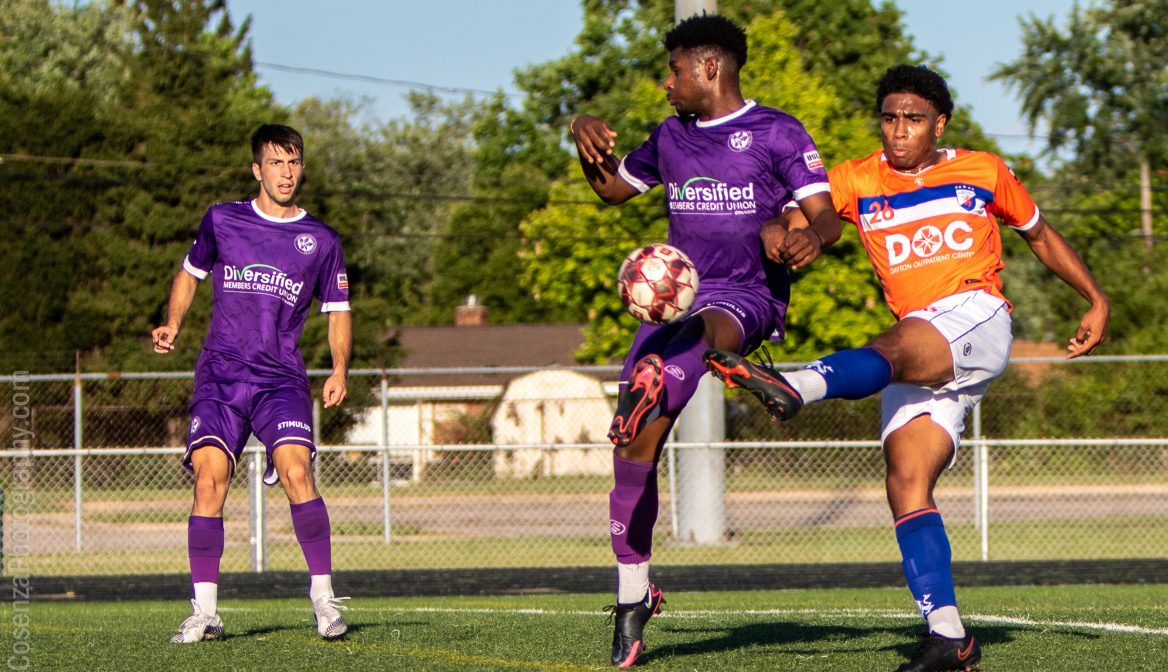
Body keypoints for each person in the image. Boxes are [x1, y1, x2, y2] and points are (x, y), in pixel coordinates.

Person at [705, 65, 1110, 672]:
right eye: (890, 118)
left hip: (974, 316)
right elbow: (802, 217)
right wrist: (782, 235)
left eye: (913, 119)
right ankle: (950, 637)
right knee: (906, 480)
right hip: (919, 341)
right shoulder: (857, 178)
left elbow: (1040, 234)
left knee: (892, 346)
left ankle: (796, 384)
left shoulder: (983, 170)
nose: (899, 130)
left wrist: (1096, 300)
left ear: (938, 123)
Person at [571, 13, 841, 668]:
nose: (667, 84)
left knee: (700, 335)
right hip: (671, 306)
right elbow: (612, 191)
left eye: (674, 70)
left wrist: (809, 236)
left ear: (709, 68)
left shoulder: (778, 132)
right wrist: (581, 140)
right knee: (634, 445)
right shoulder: (669, 137)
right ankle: (634, 597)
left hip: (745, 298)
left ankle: (707, 363)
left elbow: (827, 216)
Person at [153, 124, 353, 644]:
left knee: (295, 471)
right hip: (221, 375)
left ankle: (324, 601)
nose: (286, 173)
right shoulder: (222, 219)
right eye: (276, 163)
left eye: (294, 162)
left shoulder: (322, 240)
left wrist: (338, 369)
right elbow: (189, 273)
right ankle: (205, 612)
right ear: (256, 170)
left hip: (281, 378)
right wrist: (173, 322)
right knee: (208, 480)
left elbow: (338, 311)